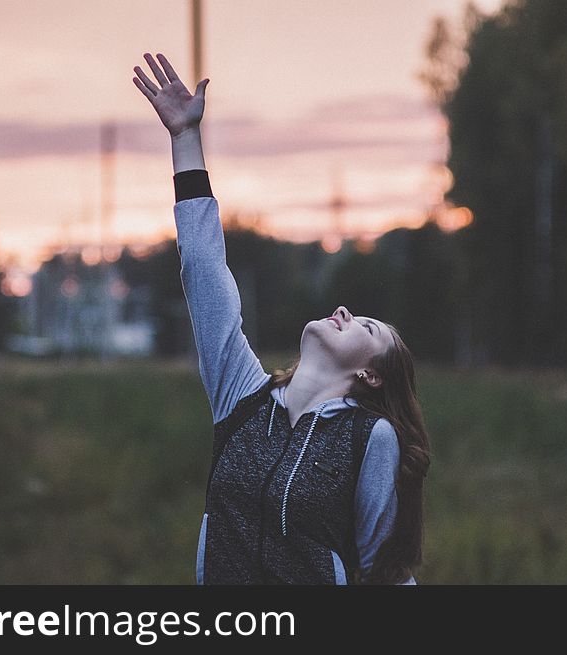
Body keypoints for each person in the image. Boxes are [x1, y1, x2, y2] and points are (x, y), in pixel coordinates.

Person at [132, 53, 431, 585]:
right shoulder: (241, 398)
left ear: (371, 375)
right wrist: (184, 139)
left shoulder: (372, 438)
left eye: (364, 327)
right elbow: (204, 269)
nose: (343, 311)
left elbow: (381, 569)